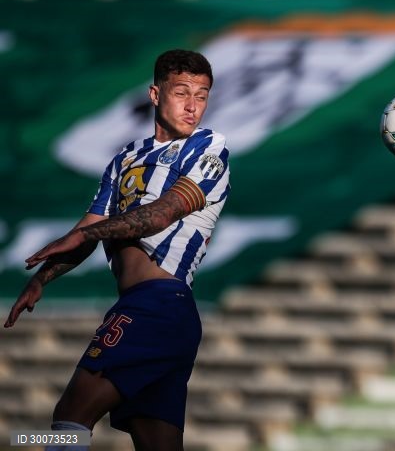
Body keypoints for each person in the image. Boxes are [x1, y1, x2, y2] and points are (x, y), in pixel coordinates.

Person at [4, 49, 230, 451]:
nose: (193, 105)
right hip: (155, 313)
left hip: (158, 306)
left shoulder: (209, 149)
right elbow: (90, 227)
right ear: (155, 94)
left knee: (69, 417)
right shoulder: (126, 158)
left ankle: (14, 441)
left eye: (202, 95)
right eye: (182, 93)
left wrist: (85, 237)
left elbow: (160, 215)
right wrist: (42, 278)